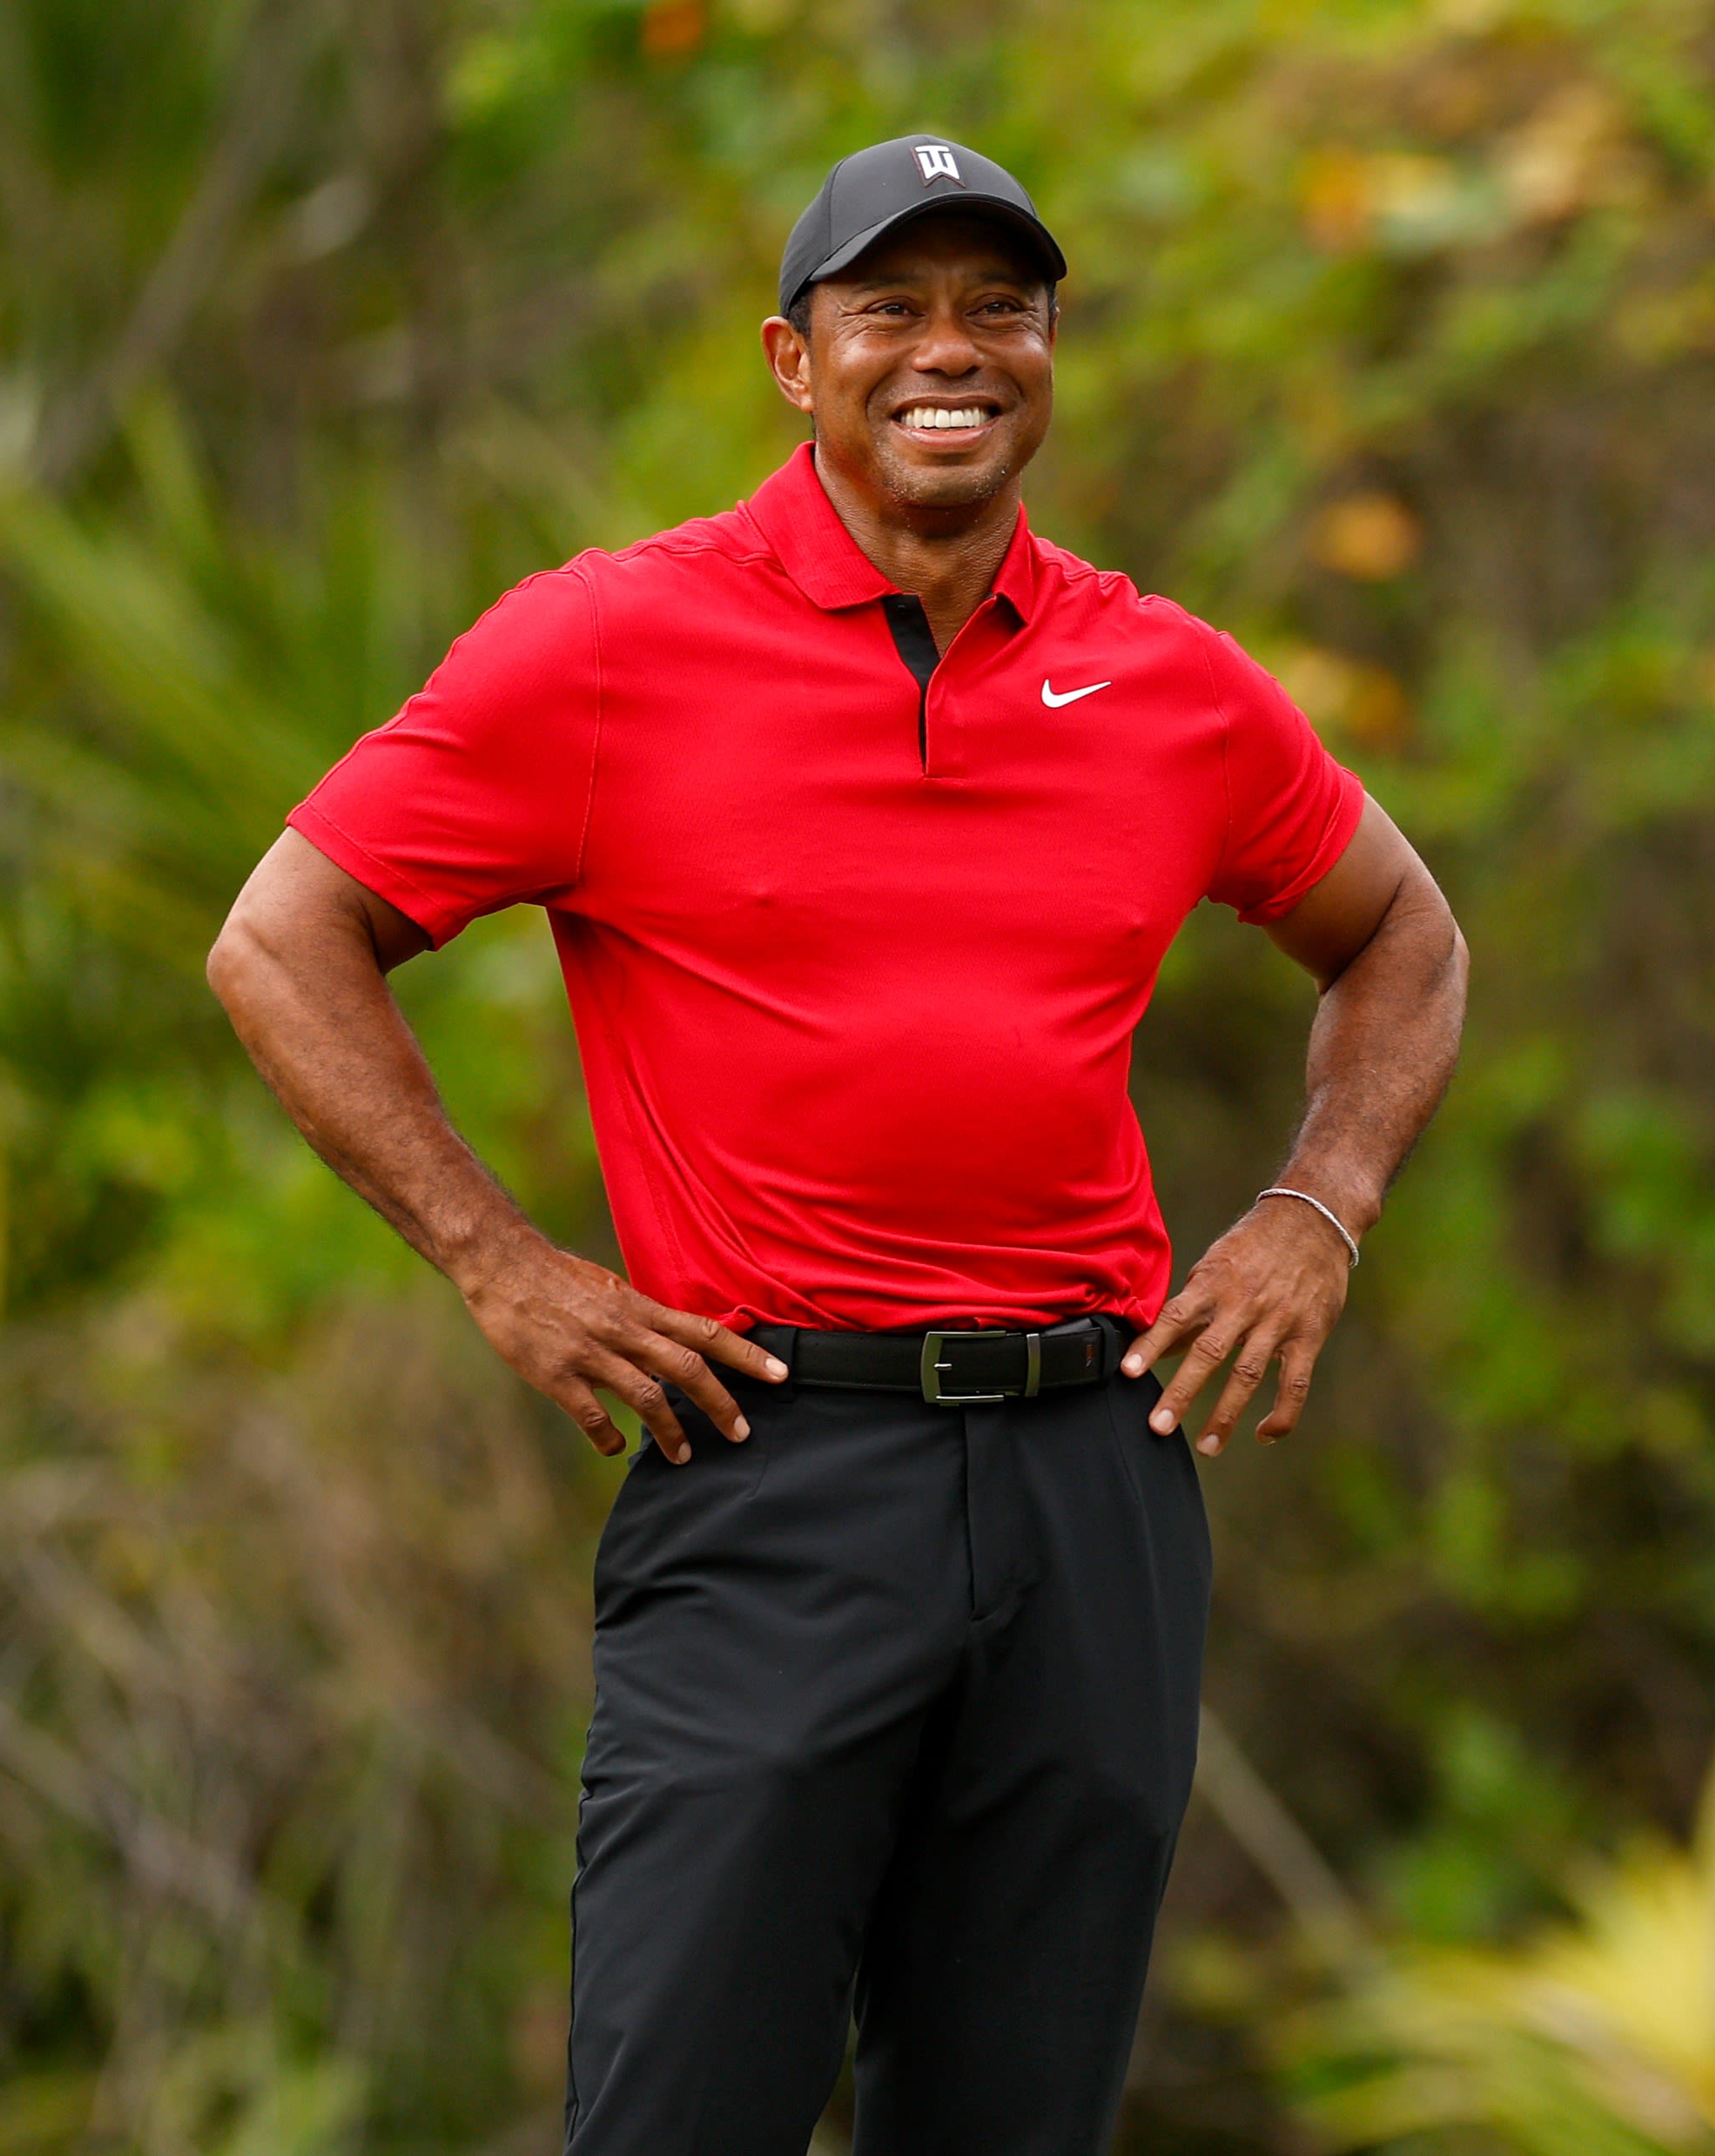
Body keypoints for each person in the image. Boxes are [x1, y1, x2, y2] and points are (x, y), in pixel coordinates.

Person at [205, 134, 1466, 2152]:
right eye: (891, 309)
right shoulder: (606, 643)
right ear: (795, 361)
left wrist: (1318, 1206)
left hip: (1098, 1474)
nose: (949, 351)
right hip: (775, 1464)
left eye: (999, 309)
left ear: (1048, 352)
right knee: (682, 2107)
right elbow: (283, 937)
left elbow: (1403, 932)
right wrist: (500, 1262)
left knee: (1015, 2118)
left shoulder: (1169, 679)